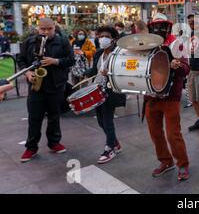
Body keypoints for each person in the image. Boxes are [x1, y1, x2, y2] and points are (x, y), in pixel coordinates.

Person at [17, 18, 75, 162]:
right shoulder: (29, 42)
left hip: (56, 85)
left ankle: (54, 142)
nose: (46, 32)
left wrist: (55, 61)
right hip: (36, 86)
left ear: (54, 28)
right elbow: (21, 60)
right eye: (43, 29)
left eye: (49, 29)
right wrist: (27, 73)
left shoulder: (62, 42)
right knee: (34, 118)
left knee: (54, 116)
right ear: (38, 28)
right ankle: (31, 148)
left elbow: (71, 60)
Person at [144, 13, 191, 181]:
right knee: (155, 132)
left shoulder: (176, 44)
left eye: (161, 26)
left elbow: (186, 69)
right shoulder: (147, 44)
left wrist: (177, 66)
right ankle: (166, 161)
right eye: (155, 26)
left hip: (171, 95)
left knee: (173, 134)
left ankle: (183, 164)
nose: (158, 29)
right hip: (151, 95)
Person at [85, 26, 126, 164]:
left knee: (107, 120)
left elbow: (124, 71)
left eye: (106, 36)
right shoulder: (98, 54)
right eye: (101, 36)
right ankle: (114, 142)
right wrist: (85, 72)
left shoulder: (119, 53)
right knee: (100, 121)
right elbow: (94, 70)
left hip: (111, 90)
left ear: (113, 39)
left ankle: (110, 148)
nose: (103, 39)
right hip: (97, 89)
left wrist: (109, 73)